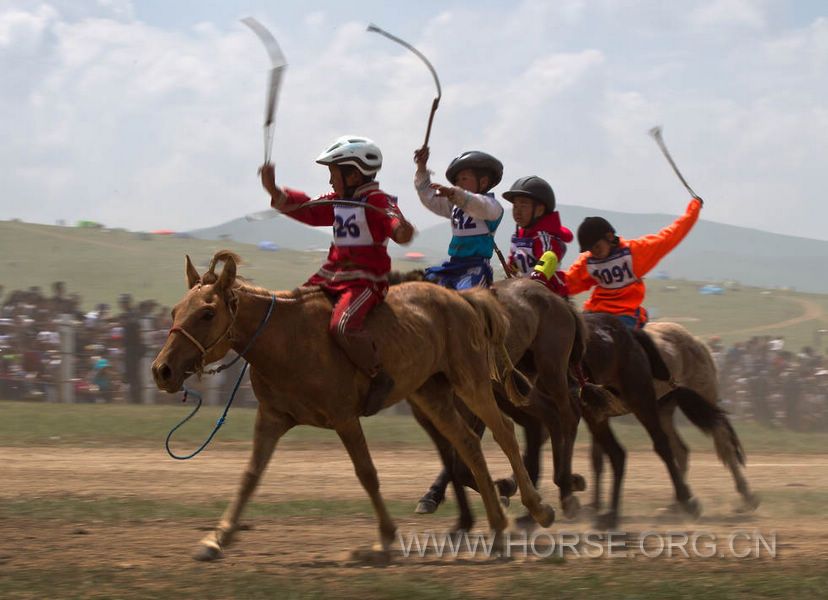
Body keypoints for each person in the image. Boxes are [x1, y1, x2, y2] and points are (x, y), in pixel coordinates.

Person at [260, 135, 414, 416]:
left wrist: (400, 229)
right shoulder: (338, 200)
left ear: (353, 173)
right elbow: (306, 209)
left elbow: (395, 222)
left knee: (343, 326)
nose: (331, 181)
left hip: (366, 280)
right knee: (292, 308)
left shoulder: (377, 200)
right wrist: (273, 189)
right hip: (330, 275)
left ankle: (378, 377)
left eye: (334, 174)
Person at [566, 196, 703, 329]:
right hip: (595, 312)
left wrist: (694, 208)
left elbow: (670, 236)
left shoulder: (634, 253)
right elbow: (568, 283)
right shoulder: (588, 261)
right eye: (590, 249)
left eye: (597, 247)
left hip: (625, 315)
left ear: (609, 237)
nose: (594, 252)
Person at [413, 148, 504, 289]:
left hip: (477, 267)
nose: (458, 184)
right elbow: (429, 197)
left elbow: (477, 204)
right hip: (453, 265)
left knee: (466, 298)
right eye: (457, 180)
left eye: (464, 179)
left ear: (484, 182)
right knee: (423, 288)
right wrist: (421, 168)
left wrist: (454, 194)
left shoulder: (492, 207)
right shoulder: (454, 205)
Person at [503, 176, 573, 297]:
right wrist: (511, 269)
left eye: (523, 205)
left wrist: (536, 280)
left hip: (551, 294)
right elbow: (516, 262)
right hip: (527, 291)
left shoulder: (543, 237)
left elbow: (549, 256)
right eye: (515, 206)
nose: (517, 211)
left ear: (540, 210)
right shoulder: (517, 237)